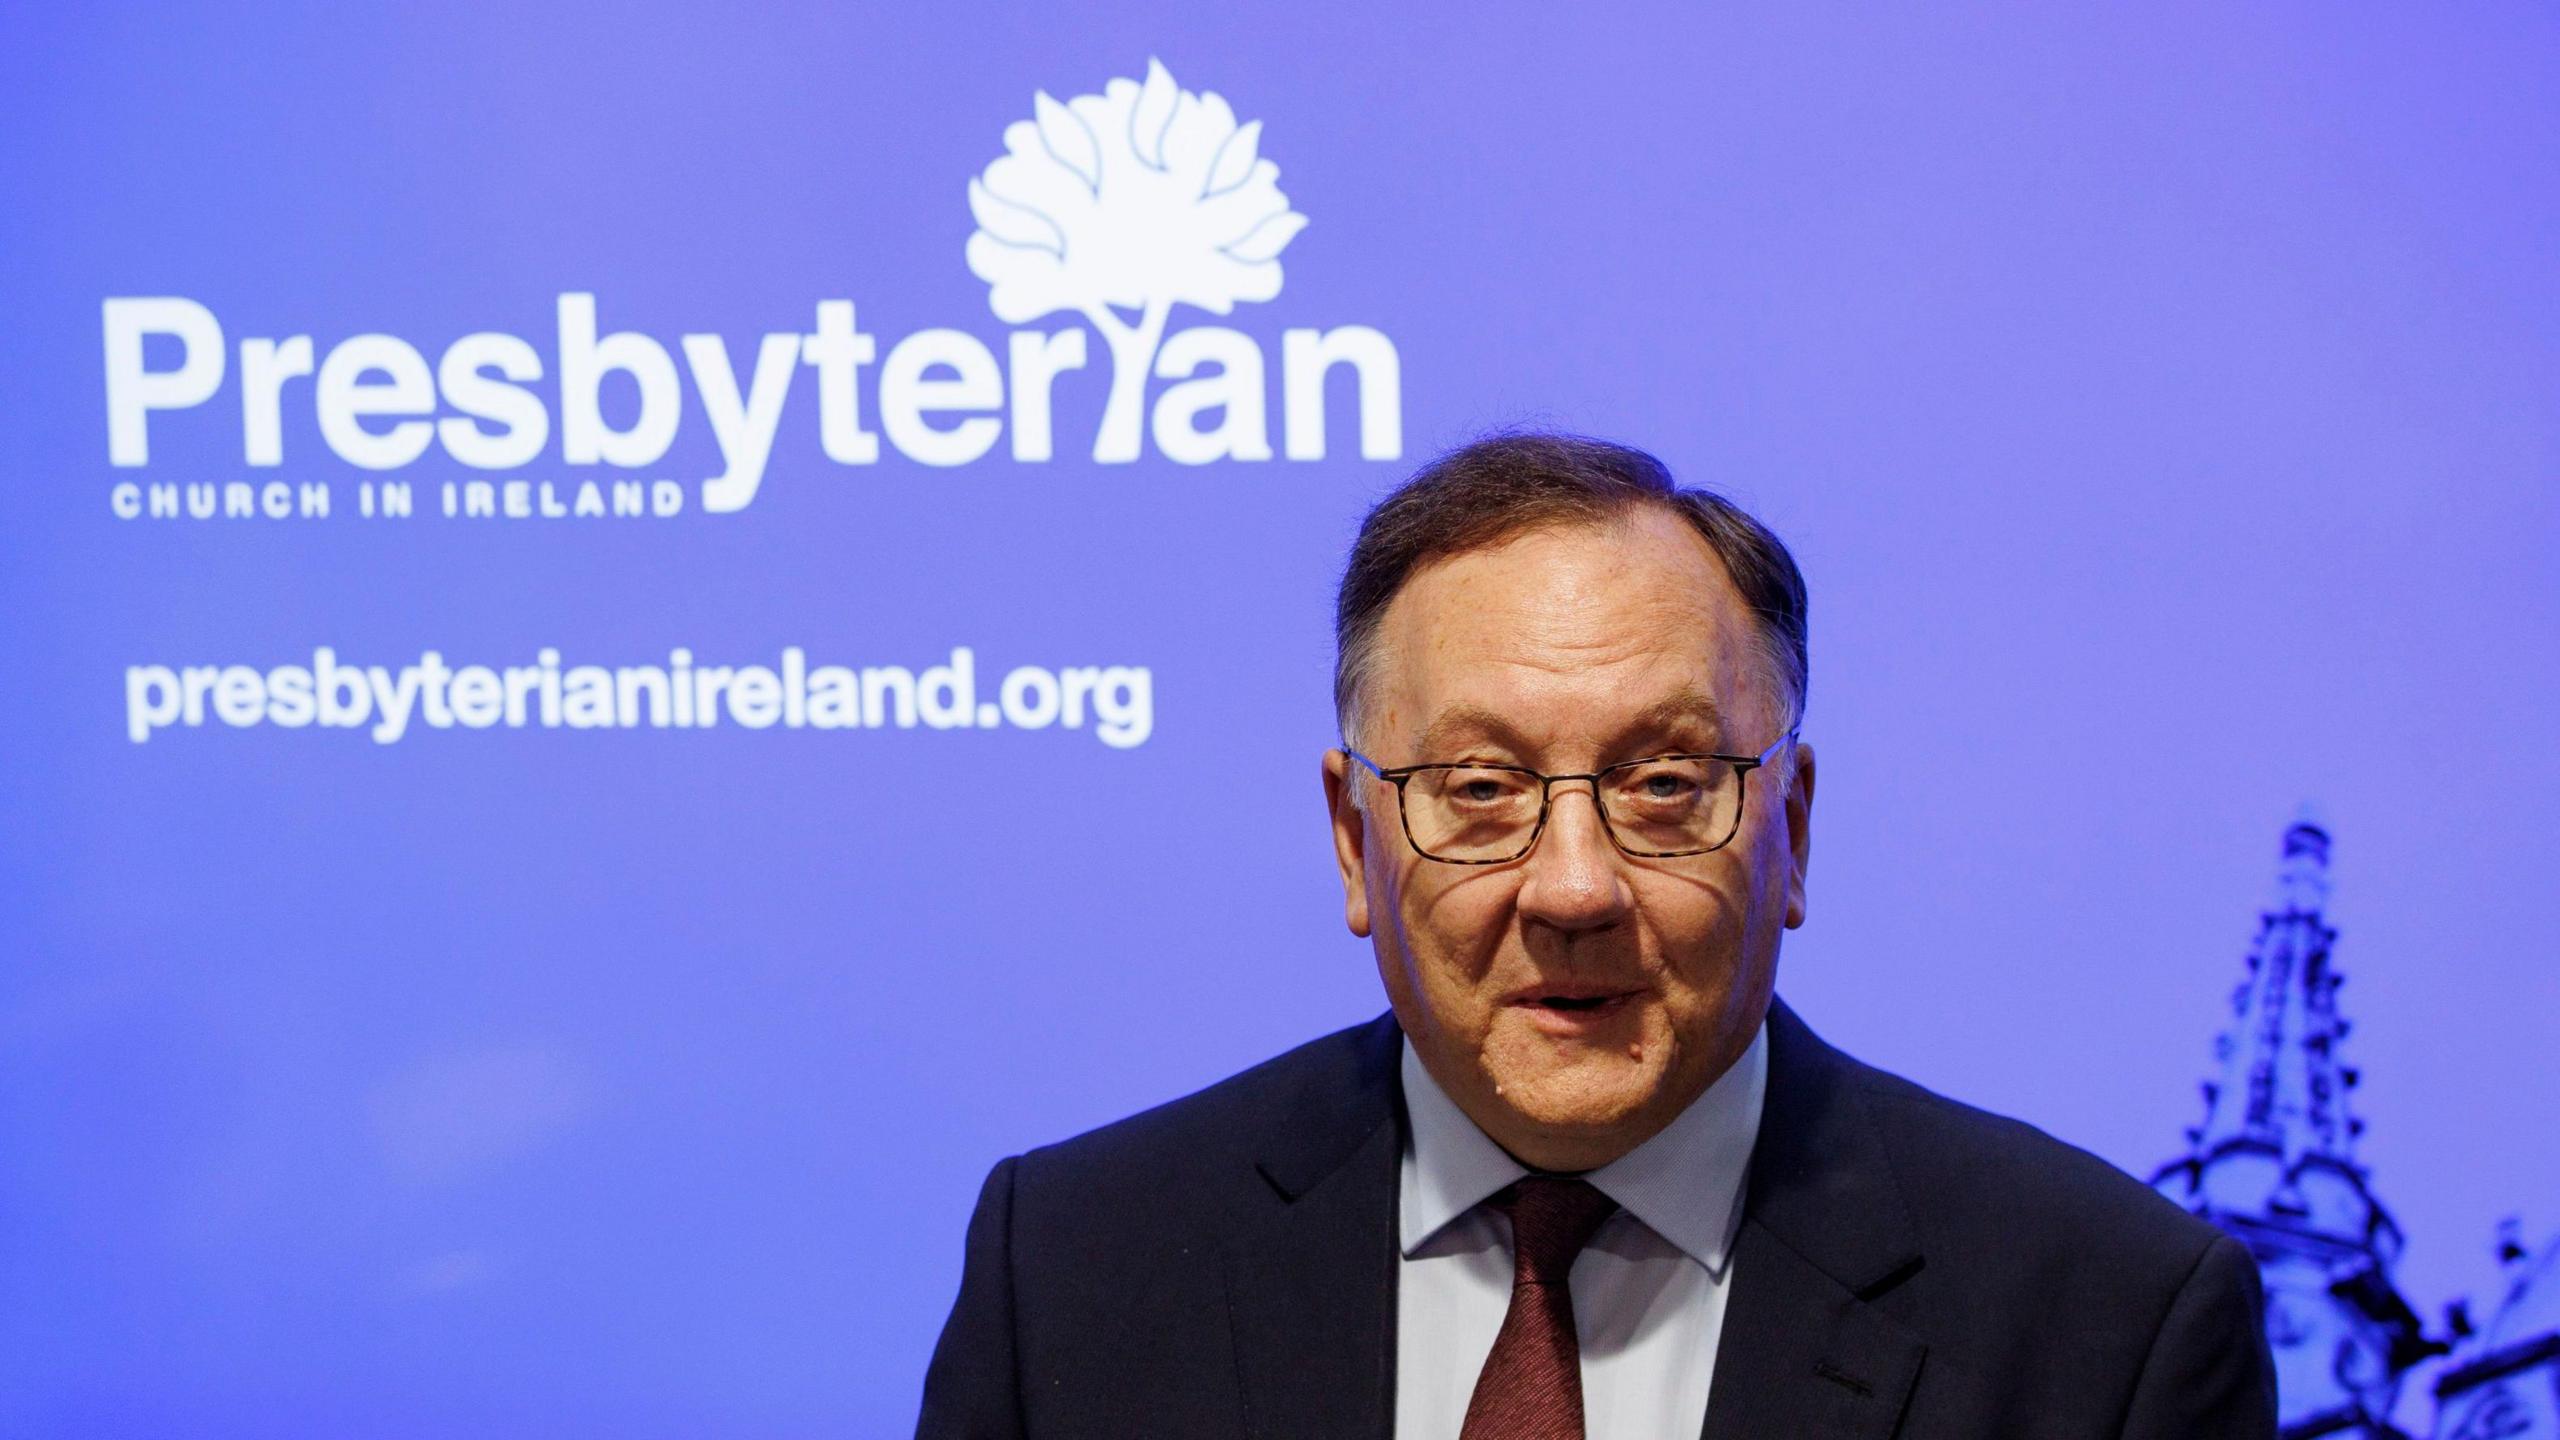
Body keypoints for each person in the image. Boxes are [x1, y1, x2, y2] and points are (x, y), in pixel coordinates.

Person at [916, 433, 2275, 1439]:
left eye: (1665, 785)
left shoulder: (2110, 1326)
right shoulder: (1080, 1271)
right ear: (1354, 841)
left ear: (1790, 827)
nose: (1574, 888)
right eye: (1483, 789)